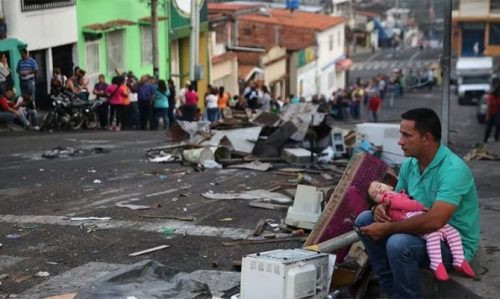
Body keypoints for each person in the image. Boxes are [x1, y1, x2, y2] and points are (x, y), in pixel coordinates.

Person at [356, 108, 480, 298]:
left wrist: (388, 228)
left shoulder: (454, 170)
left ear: (427, 138)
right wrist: (380, 208)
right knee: (364, 219)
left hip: (450, 244)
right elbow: (396, 202)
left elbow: (435, 221)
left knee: (398, 243)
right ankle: (390, 290)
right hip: (421, 233)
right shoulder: (409, 165)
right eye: (400, 134)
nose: (400, 141)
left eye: (406, 135)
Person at [367, 180, 475, 281]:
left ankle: (459, 259)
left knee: (453, 232)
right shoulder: (389, 199)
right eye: (375, 195)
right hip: (412, 221)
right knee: (432, 234)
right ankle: (436, 263)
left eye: (379, 186)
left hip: (424, 217)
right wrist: (420, 206)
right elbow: (406, 204)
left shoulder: (398, 193)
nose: (379, 191)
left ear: (390, 186)